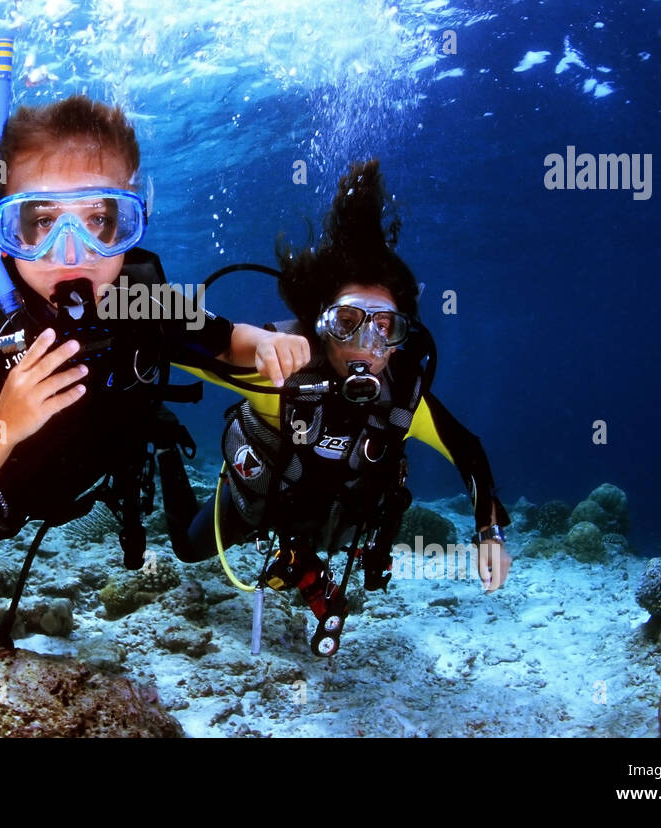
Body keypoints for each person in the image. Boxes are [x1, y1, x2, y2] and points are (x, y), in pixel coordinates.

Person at [0, 95, 307, 656]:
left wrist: (268, 342)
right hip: (16, 502)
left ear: (135, 218)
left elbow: (227, 341)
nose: (72, 252)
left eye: (101, 221)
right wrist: (7, 420)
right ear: (3, 229)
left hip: (110, 471)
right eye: (42, 221)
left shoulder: (141, 299)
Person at [166, 159, 512, 656]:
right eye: (348, 321)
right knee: (185, 548)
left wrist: (489, 530)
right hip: (257, 502)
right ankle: (165, 452)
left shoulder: (401, 403)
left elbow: (467, 450)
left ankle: (302, 561)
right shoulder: (281, 376)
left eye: (385, 327)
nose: (367, 345)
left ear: (399, 340)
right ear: (321, 327)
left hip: (335, 520)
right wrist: (246, 341)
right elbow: (173, 336)